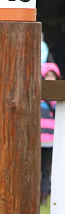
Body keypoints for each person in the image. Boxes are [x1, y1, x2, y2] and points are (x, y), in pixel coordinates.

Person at [40, 62, 60, 206]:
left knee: (47, 169)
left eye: (52, 75)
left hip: (51, 139)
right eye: (48, 75)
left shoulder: (58, 96)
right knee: (34, 170)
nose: (50, 78)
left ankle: (44, 197)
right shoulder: (36, 95)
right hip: (36, 139)